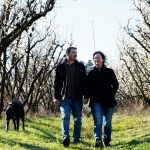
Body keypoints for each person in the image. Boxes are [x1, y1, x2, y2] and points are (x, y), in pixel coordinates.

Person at [53, 47, 88, 147]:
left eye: (76, 52)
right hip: (64, 98)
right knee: (65, 116)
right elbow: (57, 83)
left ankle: (76, 139)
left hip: (77, 97)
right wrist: (56, 97)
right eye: (73, 52)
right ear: (67, 54)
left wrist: (86, 95)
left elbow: (85, 81)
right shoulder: (60, 66)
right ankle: (66, 137)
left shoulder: (80, 66)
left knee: (78, 120)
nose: (75, 54)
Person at [88, 51, 119, 148]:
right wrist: (87, 97)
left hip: (109, 101)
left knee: (107, 123)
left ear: (103, 59)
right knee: (98, 122)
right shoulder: (91, 73)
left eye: (98, 57)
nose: (96, 59)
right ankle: (98, 140)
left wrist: (111, 94)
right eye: (95, 58)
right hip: (96, 102)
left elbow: (116, 84)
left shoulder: (110, 71)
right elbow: (87, 88)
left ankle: (107, 140)